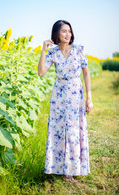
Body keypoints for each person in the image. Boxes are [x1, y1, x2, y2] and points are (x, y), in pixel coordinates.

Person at [38, 20, 93, 183]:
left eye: (69, 31)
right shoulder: (52, 52)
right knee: (59, 130)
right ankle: (59, 168)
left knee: (75, 131)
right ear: (57, 34)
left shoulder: (79, 49)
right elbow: (41, 72)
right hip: (59, 97)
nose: (67, 34)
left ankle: (73, 169)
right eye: (63, 31)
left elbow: (86, 74)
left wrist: (89, 97)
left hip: (76, 94)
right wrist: (43, 50)